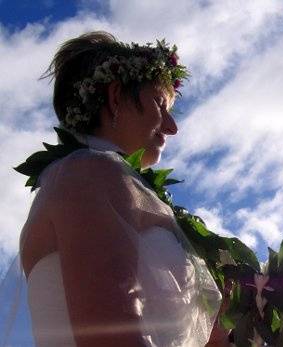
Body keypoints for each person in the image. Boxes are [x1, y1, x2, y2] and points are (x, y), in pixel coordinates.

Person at [5, 31, 228, 347]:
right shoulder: (90, 171)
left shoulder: (91, 176)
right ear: (115, 97)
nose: (172, 126)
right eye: (160, 104)